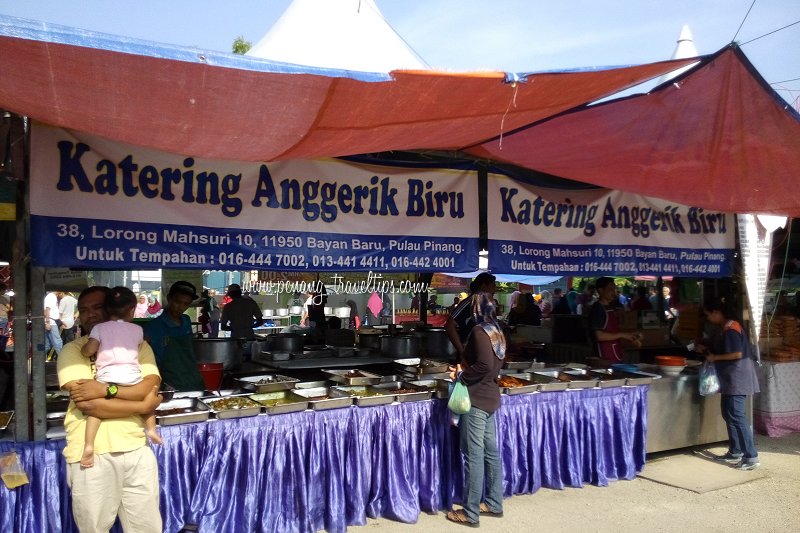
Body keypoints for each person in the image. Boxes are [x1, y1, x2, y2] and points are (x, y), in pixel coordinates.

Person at [57, 286, 163, 532]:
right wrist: (143, 406)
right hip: (91, 455)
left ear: (112, 309)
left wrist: (107, 391)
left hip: (137, 449)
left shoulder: (138, 345)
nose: (90, 314)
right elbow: (87, 404)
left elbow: (149, 387)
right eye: (83, 310)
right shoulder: (74, 350)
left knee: (147, 527)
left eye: (97, 307)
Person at [79, 287, 161, 468]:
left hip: (106, 377)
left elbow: (90, 349)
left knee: (94, 414)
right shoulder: (138, 330)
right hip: (132, 378)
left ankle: (89, 445)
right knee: (148, 400)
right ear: (132, 310)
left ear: (107, 310)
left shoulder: (100, 328)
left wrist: (84, 351)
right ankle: (152, 430)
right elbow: (138, 344)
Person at [445, 293, 505, 527]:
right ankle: (493, 502)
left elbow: (483, 365)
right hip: (490, 396)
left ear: (476, 310)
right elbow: (493, 364)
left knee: (474, 455)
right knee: (490, 453)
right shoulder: (497, 331)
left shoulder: (480, 332)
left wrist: (461, 374)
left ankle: (470, 512)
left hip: (476, 399)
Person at [693, 297, 760, 470]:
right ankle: (735, 451)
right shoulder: (725, 327)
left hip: (738, 378)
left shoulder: (731, 328)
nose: (708, 319)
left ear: (716, 312)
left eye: (708, 315)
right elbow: (724, 348)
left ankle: (751, 456)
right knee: (728, 414)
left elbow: (736, 354)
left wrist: (714, 357)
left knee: (737, 416)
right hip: (730, 379)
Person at [143, 281, 205, 391]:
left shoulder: (186, 321)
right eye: (178, 302)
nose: (180, 307)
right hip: (169, 386)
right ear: (169, 298)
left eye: (186, 304)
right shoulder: (153, 327)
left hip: (193, 382)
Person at [589, 277, 641, 362]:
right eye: (610, 289)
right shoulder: (597, 309)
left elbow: (615, 329)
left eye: (615, 289)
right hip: (603, 357)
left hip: (616, 353)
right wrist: (623, 335)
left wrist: (631, 335)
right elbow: (599, 336)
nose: (614, 292)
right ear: (601, 290)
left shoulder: (611, 307)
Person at [446, 272, 497, 359]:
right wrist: (462, 351)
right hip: (471, 355)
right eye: (492, 287)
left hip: (486, 354)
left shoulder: (488, 306)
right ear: (484, 286)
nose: (494, 290)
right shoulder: (469, 302)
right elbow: (449, 325)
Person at [44, 291, 63, 358]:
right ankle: (63, 359)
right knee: (58, 342)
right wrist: (47, 322)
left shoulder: (53, 296)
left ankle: (40, 358)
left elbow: (52, 310)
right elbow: (47, 309)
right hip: (51, 322)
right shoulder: (51, 296)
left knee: (47, 344)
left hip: (51, 321)